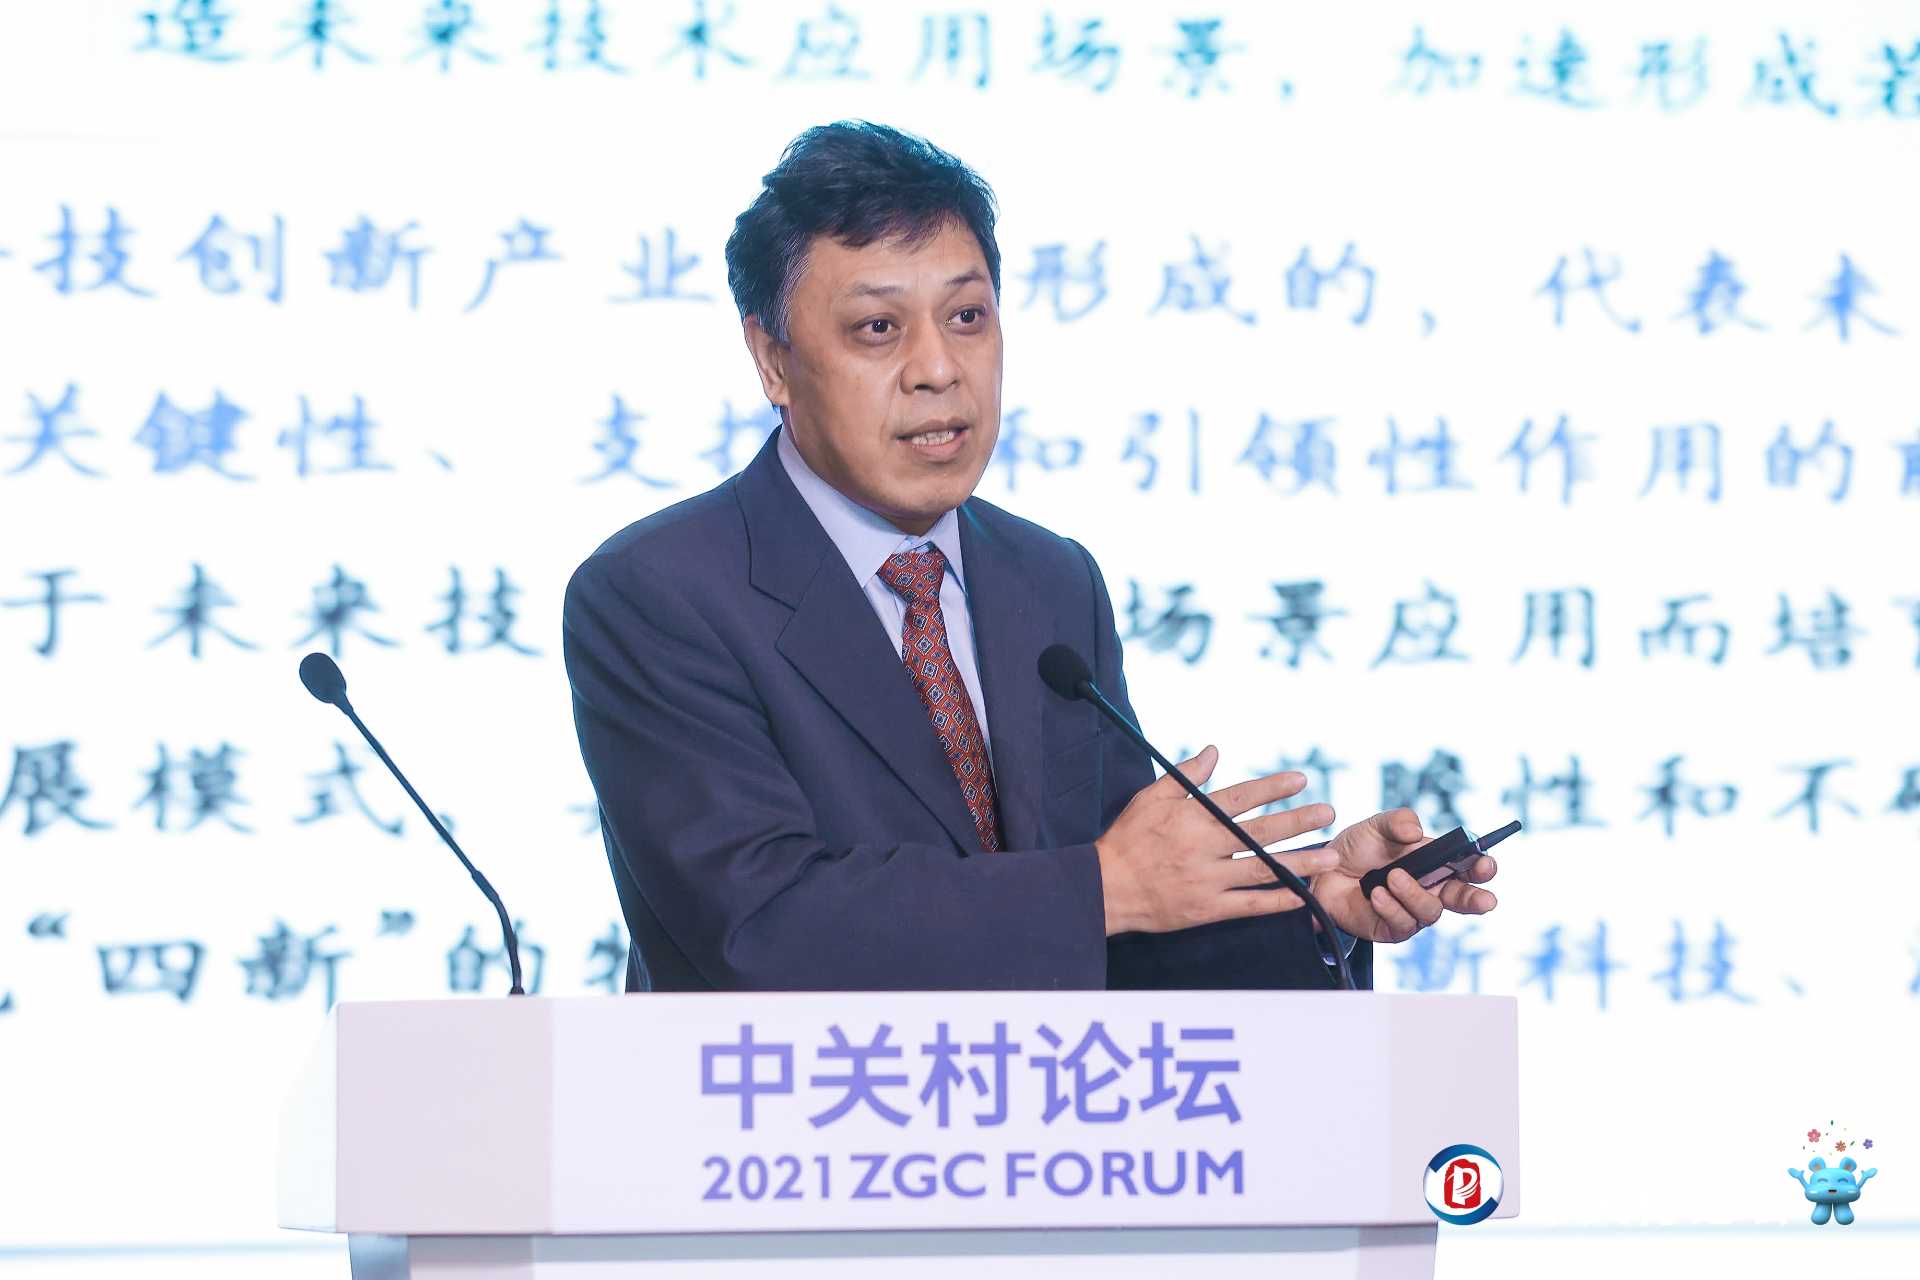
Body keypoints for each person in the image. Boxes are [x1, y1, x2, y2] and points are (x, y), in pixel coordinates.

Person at [561, 120, 1498, 992]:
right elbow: (757, 926)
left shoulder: (1048, 580)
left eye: (968, 317)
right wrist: (1103, 887)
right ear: (772, 360)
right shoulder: (659, 593)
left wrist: (1313, 905)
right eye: (878, 329)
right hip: (784, 1111)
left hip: (1039, 1113)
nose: (939, 369)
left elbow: (1118, 936)